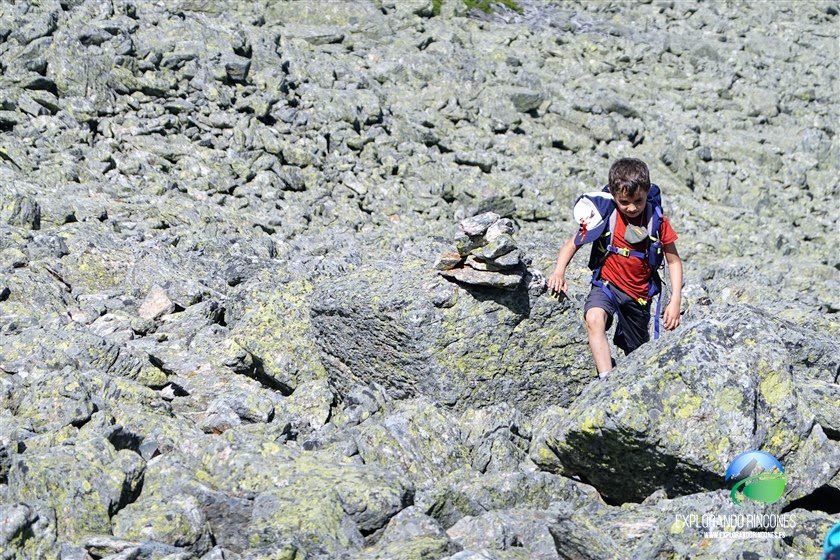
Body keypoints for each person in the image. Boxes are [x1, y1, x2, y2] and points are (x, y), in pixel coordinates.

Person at [547, 158, 683, 378]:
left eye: (638, 201)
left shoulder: (657, 220)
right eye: (624, 202)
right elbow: (573, 243)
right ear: (612, 194)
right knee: (593, 319)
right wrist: (558, 271)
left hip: (638, 296)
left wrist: (675, 299)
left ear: (647, 191)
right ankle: (606, 380)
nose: (632, 208)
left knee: (637, 354)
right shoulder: (604, 215)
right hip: (607, 285)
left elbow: (674, 261)